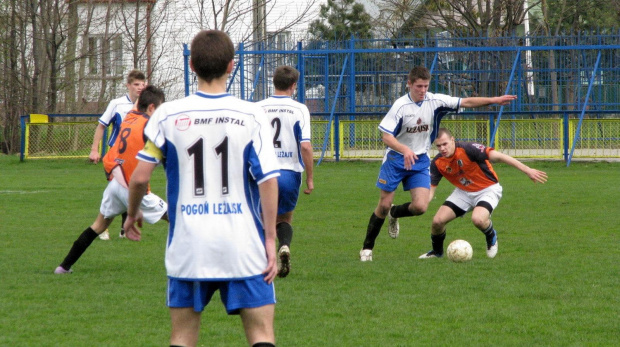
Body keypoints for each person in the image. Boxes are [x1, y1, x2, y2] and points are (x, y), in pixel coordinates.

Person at [123, 30, 280, 347]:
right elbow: (267, 180)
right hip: (243, 245)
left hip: (188, 246)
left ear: (191, 65)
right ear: (232, 65)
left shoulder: (167, 114)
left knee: (182, 337)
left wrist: (132, 213)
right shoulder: (252, 115)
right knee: (261, 336)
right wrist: (270, 238)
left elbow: (139, 178)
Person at [360, 66, 519, 262]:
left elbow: (466, 101)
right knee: (382, 205)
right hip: (395, 158)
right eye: (419, 86)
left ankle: (395, 213)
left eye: (426, 86)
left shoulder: (435, 101)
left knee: (420, 207)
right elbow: (386, 136)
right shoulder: (400, 106)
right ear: (409, 84)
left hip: (419, 160)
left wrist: (493, 101)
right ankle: (367, 249)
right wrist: (405, 149)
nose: (423, 90)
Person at [54, 85, 168, 274]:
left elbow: (140, 104)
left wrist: (144, 92)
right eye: (160, 107)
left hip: (116, 181)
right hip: (132, 187)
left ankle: (63, 266)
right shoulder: (149, 125)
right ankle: (199, 266)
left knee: (98, 226)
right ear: (151, 109)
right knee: (177, 219)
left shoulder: (131, 116)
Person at [419, 128, 548, 259]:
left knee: (478, 219)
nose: (442, 148)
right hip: (464, 192)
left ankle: (491, 235)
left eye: (445, 144)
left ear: (452, 140)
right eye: (438, 146)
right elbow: (430, 190)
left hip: (488, 189)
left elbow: (499, 156)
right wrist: (420, 203)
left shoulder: (469, 149)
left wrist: (527, 170)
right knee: (437, 222)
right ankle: (437, 252)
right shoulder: (437, 163)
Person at [256, 65, 314, 278]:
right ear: (293, 85)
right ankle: (285, 246)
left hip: (264, 172)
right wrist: (310, 179)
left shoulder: (258, 107)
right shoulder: (300, 109)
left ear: (274, 82)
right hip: (290, 173)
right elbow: (305, 146)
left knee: (262, 219)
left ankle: (264, 264)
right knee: (285, 219)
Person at [89, 69, 146, 240]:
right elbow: (101, 125)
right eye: (136, 84)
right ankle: (102, 227)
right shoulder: (117, 104)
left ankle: (123, 228)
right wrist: (94, 149)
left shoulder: (146, 106)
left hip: (135, 157)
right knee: (117, 189)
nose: (140, 88)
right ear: (128, 85)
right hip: (115, 157)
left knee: (129, 188)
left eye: (142, 84)